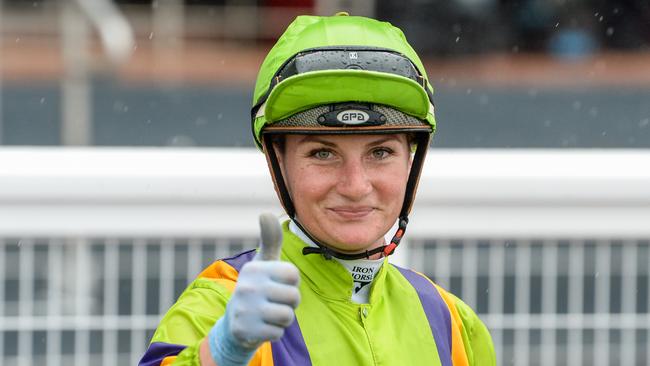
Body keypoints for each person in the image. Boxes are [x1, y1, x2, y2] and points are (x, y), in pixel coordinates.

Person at [139, 13, 495, 366]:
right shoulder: (221, 306)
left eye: (381, 152)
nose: (355, 186)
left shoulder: (452, 322)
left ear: (411, 161)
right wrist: (222, 353)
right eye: (322, 153)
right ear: (278, 161)